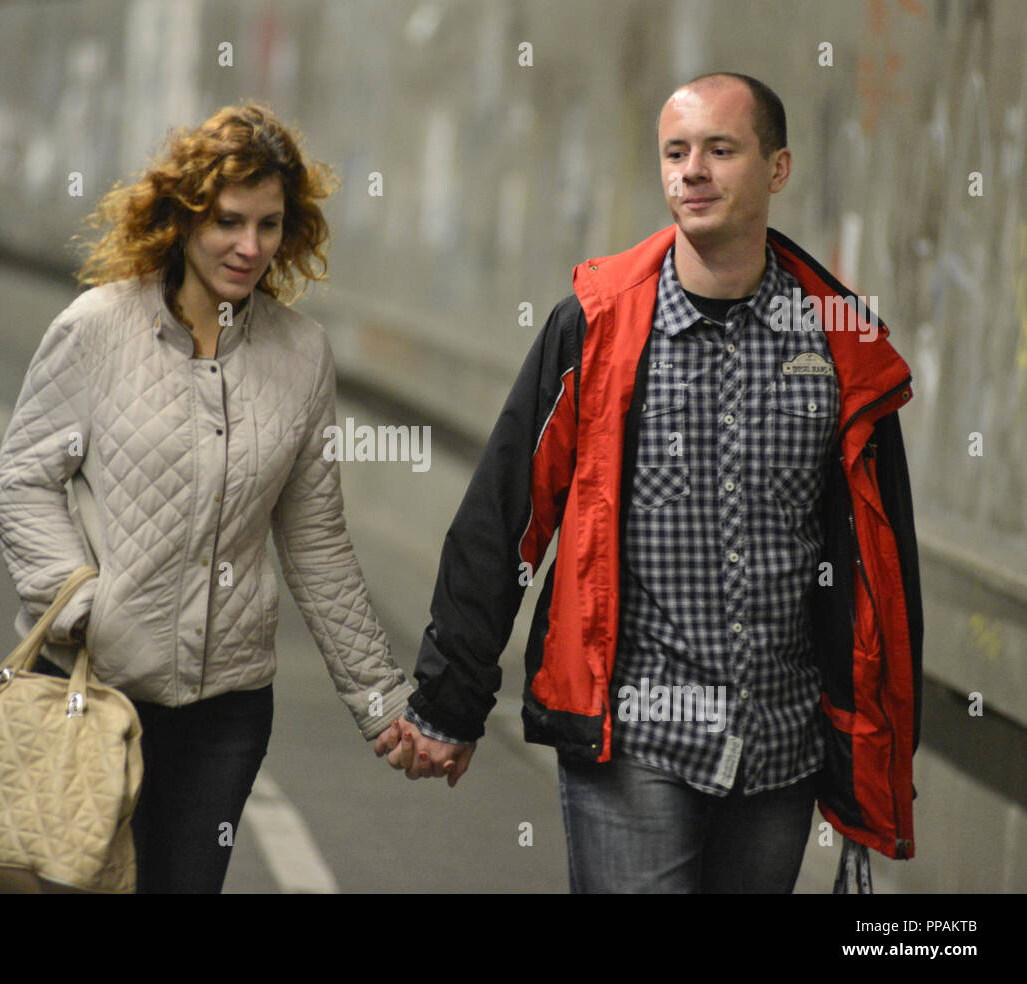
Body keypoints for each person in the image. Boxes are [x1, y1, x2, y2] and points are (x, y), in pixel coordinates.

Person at [377, 72, 923, 893]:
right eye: (676, 152)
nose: (692, 170)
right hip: (632, 738)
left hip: (779, 750)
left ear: (777, 170)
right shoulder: (597, 329)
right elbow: (506, 513)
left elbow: (885, 565)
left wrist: (876, 743)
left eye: (719, 150)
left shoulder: (840, 349)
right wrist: (450, 701)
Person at [0, 102, 411, 893]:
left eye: (270, 224)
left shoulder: (302, 355)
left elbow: (315, 542)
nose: (250, 248)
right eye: (227, 221)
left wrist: (382, 699)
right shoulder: (99, 329)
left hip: (228, 710)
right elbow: (21, 482)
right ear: (182, 219)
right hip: (95, 690)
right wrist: (78, 602)